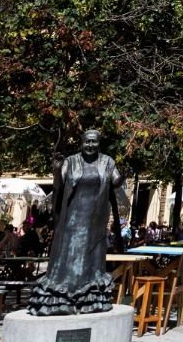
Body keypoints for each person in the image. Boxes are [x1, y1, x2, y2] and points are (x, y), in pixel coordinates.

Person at [28, 129, 129, 316]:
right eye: (87, 142)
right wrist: (57, 170)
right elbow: (59, 185)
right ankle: (62, 300)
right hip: (72, 219)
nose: (90, 145)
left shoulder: (107, 162)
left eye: (94, 142)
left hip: (96, 220)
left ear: (99, 143)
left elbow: (115, 183)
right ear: (81, 143)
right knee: (68, 258)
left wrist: (124, 176)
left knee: (92, 260)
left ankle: (89, 301)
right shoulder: (71, 161)